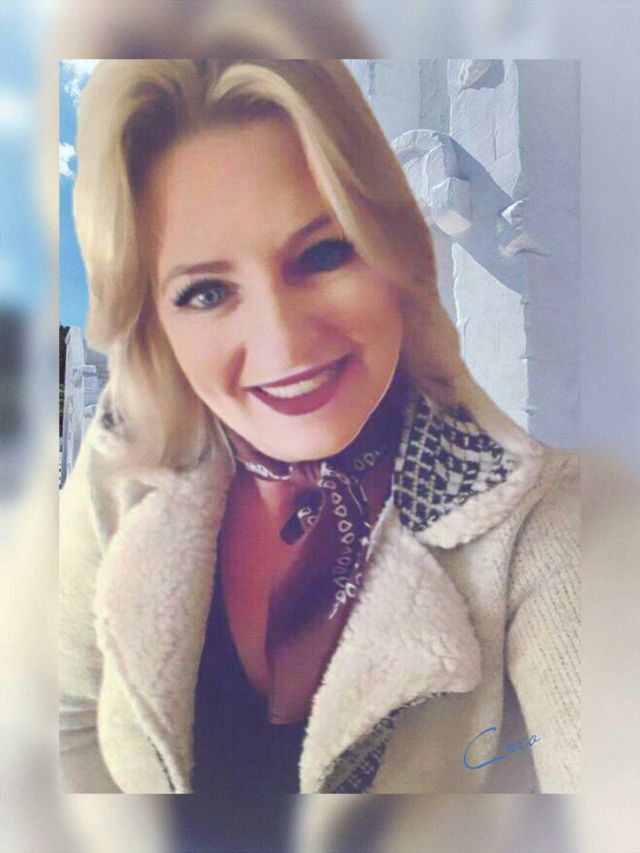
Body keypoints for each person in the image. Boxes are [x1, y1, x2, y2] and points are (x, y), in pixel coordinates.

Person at [59, 59, 579, 797]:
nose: (283, 343)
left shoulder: (542, 519)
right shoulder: (121, 470)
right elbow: (64, 720)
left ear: (396, 250)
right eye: (205, 291)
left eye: (325, 253)